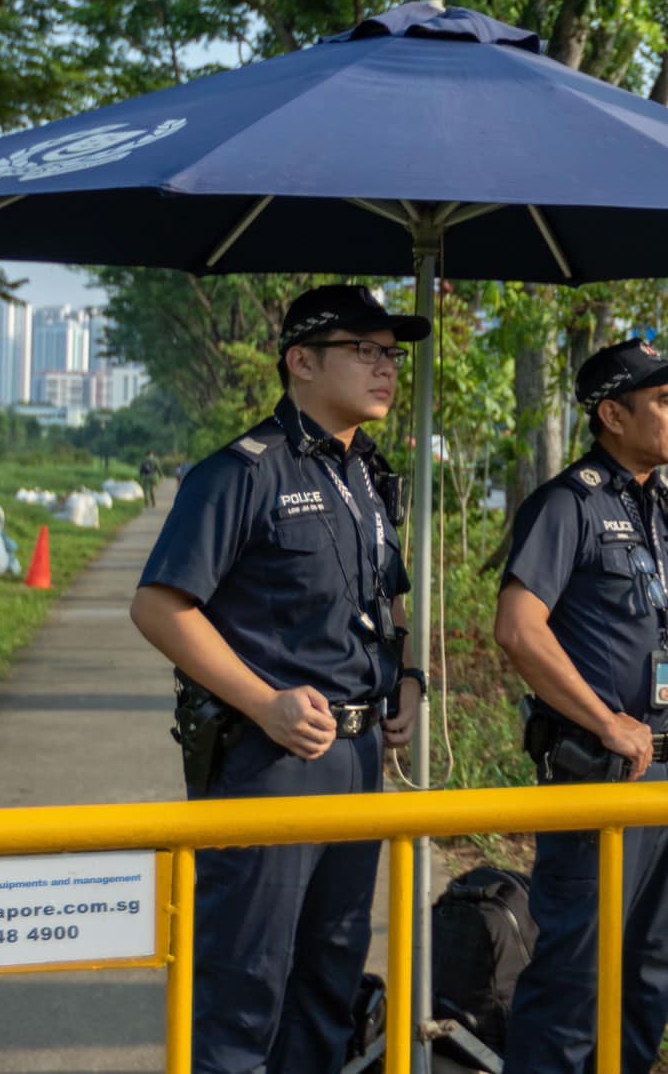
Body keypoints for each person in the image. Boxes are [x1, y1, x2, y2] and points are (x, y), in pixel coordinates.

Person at [129, 284, 430, 1074]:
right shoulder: (242, 472)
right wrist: (263, 702)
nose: (386, 368)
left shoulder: (367, 476)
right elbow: (161, 607)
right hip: (272, 764)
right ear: (301, 361)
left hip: (359, 762)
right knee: (244, 981)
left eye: (391, 354)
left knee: (328, 980)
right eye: (363, 351)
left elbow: (381, 597)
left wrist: (407, 679)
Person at [494, 338, 668, 1074]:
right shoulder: (568, 505)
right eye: (666, 401)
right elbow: (517, 627)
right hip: (600, 771)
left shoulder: (659, 504)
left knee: (650, 973)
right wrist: (606, 722)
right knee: (575, 977)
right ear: (611, 413)